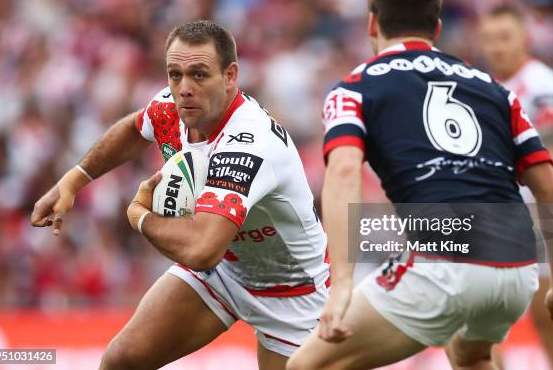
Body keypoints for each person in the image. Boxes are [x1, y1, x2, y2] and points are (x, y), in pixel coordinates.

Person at [287, 0, 553, 370]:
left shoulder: (354, 87)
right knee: (469, 354)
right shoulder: (496, 90)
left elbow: (343, 173)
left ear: (372, 23)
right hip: (517, 269)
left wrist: (341, 284)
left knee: (305, 366)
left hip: (447, 260)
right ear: (437, 27)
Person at [31, 20, 329, 370]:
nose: (184, 88)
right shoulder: (176, 106)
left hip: (292, 293)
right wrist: (73, 180)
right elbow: (134, 128)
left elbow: (202, 249)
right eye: (175, 74)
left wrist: (139, 217)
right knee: (121, 361)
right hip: (226, 271)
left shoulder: (249, 144)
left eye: (199, 74)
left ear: (230, 75)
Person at [478, 4, 553, 370]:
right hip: (498, 222)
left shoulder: (542, 86)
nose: (496, 47)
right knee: (480, 330)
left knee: (551, 328)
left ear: (525, 38)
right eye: (489, 39)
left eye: (504, 37)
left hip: (538, 221)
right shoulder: (486, 87)